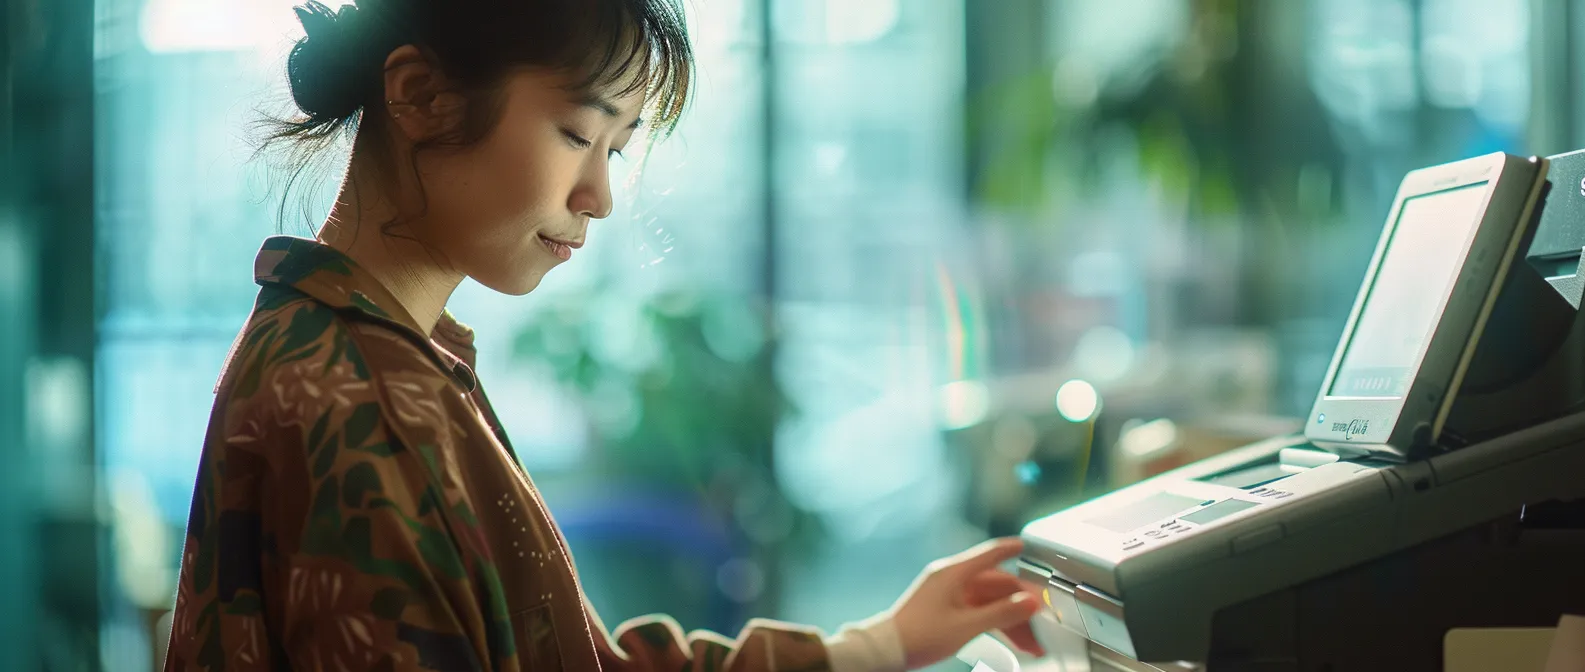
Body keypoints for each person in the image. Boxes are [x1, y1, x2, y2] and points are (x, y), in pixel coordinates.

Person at [159, 1, 1046, 670]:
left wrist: (879, 645)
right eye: (576, 133)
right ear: (420, 96)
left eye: (614, 150)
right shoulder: (367, 402)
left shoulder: (351, 352)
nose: (600, 196)